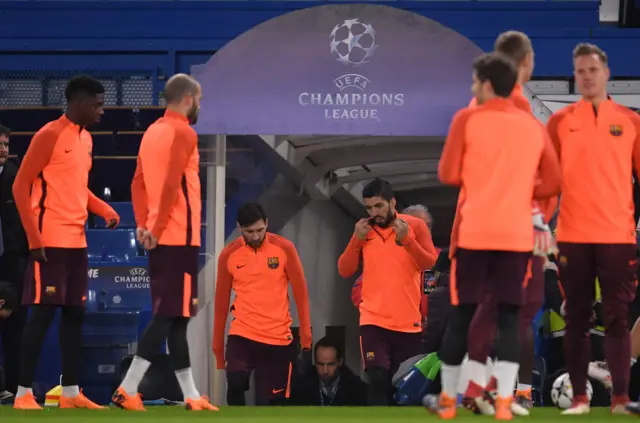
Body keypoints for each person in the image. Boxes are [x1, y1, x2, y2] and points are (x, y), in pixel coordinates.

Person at [423, 52, 561, 420]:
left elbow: (449, 173)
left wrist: (483, 180)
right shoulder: (532, 126)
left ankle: (451, 401)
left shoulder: (467, 119)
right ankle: (504, 401)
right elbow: (553, 181)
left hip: (475, 232)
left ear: (486, 85)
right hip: (516, 235)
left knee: (464, 315)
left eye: (473, 82)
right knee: (510, 318)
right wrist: (518, 190)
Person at [460, 31, 557, 416]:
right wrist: (541, 218)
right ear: (527, 63)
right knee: (522, 311)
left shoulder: (475, 106)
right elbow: (546, 176)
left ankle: (479, 387)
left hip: (485, 224)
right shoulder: (517, 107)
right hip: (520, 223)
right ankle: (516, 392)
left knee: (489, 307)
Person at [11, 76, 121, 410]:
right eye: (98, 104)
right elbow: (20, 186)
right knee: (42, 317)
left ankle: (71, 393)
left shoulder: (86, 139)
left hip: (77, 242)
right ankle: (22, 394)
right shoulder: (49, 135)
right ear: (78, 103)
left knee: (75, 315)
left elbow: (76, 188)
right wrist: (34, 240)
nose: (102, 111)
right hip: (49, 243)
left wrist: (103, 209)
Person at [112, 74, 216, 412]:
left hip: (162, 236)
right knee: (167, 315)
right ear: (188, 98)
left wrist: (143, 225)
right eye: (199, 99)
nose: (200, 105)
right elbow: (172, 183)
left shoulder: (152, 132)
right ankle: (128, 388)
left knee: (177, 318)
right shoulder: (184, 131)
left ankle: (190, 395)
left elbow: (137, 181)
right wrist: (154, 227)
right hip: (178, 237)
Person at [546, 43, 640, 416]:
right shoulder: (559, 122)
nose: (586, 76)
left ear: (606, 73)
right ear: (575, 76)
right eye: (580, 71)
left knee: (618, 318)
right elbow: (546, 183)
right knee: (577, 319)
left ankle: (620, 398)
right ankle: (580, 398)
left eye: (592, 70)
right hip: (572, 235)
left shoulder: (631, 122)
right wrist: (541, 222)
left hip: (618, 237)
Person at [338, 178, 438, 405]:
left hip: (410, 323)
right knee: (377, 378)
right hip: (373, 320)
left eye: (378, 206)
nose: (374, 213)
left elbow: (430, 271)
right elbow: (345, 270)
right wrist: (356, 239)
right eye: (369, 208)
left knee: (402, 385)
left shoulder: (416, 231)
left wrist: (409, 240)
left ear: (393, 203)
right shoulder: (364, 231)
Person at [213, 202, 312, 406]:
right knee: (235, 384)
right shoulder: (228, 255)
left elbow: (301, 294)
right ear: (239, 228)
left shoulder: (284, 248)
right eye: (250, 231)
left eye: (260, 229)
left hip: (278, 337)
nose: (256, 236)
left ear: (267, 223)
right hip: (242, 333)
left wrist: (306, 338)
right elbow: (221, 303)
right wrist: (217, 348)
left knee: (275, 402)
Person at [0, 126, 29, 396]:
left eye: (6, 144)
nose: (4, 150)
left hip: (11, 263)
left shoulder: (16, 176)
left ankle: (15, 389)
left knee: (15, 329)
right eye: (0, 144)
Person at [289, 336, 367, 406]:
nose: (325, 371)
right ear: (315, 362)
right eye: (320, 364)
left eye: (330, 364)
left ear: (340, 362)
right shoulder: (300, 388)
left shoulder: (358, 390)